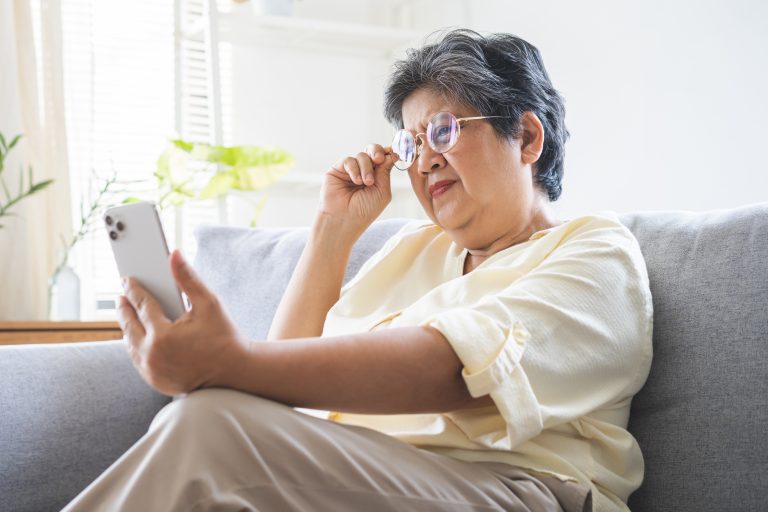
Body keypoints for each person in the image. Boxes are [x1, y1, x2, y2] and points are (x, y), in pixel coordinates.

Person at [63, 29, 652, 512]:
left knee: (207, 428)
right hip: (362, 482)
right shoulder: (412, 252)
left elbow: (456, 370)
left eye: (444, 130)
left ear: (525, 137)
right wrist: (332, 231)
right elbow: (276, 395)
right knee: (212, 423)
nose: (423, 160)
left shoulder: (595, 251)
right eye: (411, 142)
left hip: (515, 491)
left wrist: (232, 362)